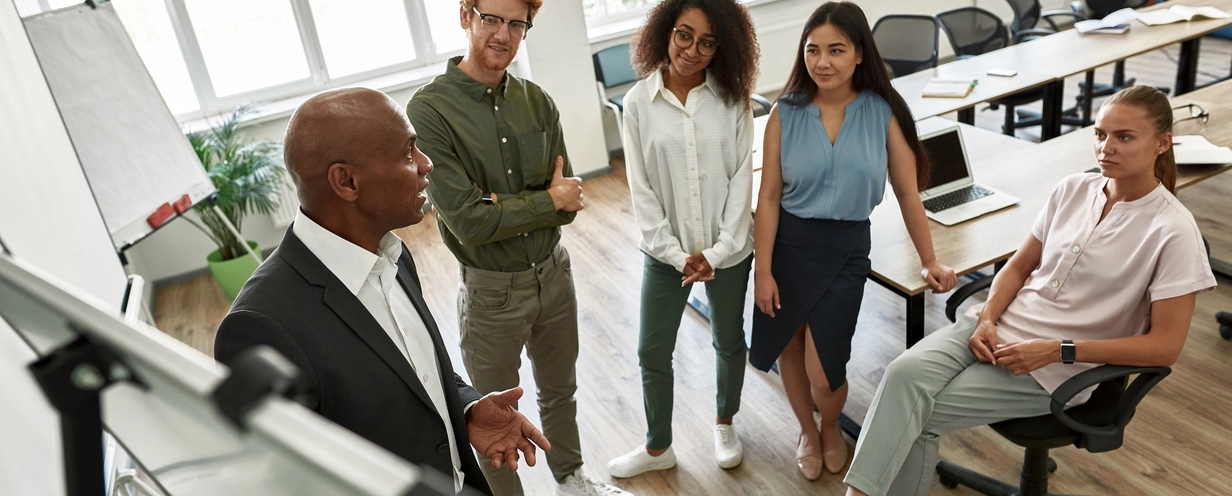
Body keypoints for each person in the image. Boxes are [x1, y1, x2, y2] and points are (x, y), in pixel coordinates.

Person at [843, 86, 1218, 496]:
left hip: (1054, 370)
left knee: (914, 413)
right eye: (1099, 134)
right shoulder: (1073, 189)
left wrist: (1058, 349)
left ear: (1163, 143)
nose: (1105, 148)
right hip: (994, 327)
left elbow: (1165, 347)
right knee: (900, 375)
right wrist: (986, 318)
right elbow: (1019, 267)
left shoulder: (1173, 230)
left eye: (1124, 137)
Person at [214, 88, 553, 496]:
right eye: (409, 152)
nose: (427, 165)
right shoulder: (261, 325)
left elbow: (413, 374)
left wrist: (465, 409)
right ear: (347, 181)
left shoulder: (394, 254)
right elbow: (288, 483)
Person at [406, 2, 626, 495]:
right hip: (491, 295)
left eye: (517, 23)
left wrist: (510, 203)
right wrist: (544, 200)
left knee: (560, 391)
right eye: (491, 19)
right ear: (466, 15)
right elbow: (468, 222)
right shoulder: (429, 110)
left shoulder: (538, 102)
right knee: (494, 416)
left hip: (555, 274)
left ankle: (573, 480)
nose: (504, 34)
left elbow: (570, 205)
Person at [751, 1, 957, 481]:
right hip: (788, 244)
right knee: (790, 344)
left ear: (860, 54)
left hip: (845, 247)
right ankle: (809, 430)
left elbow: (908, 192)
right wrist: (763, 270)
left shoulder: (880, 111)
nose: (822, 61)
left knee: (826, 368)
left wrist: (929, 260)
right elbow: (769, 196)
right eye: (813, 50)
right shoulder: (785, 112)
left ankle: (830, 422)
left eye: (836, 50)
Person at [606, 0, 760, 479]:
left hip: (729, 250)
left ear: (722, 48)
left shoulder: (734, 101)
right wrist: (677, 255)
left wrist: (715, 252)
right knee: (652, 352)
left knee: (730, 341)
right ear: (664, 33)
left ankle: (724, 421)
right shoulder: (636, 105)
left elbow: (741, 182)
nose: (692, 49)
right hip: (664, 254)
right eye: (684, 35)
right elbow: (642, 189)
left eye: (708, 41)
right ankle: (658, 448)